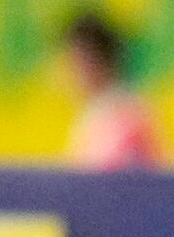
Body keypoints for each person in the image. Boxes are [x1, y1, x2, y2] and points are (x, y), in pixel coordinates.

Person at [59, 10, 163, 170]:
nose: (70, 70)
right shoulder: (94, 114)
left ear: (95, 59)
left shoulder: (128, 116)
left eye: (76, 59)